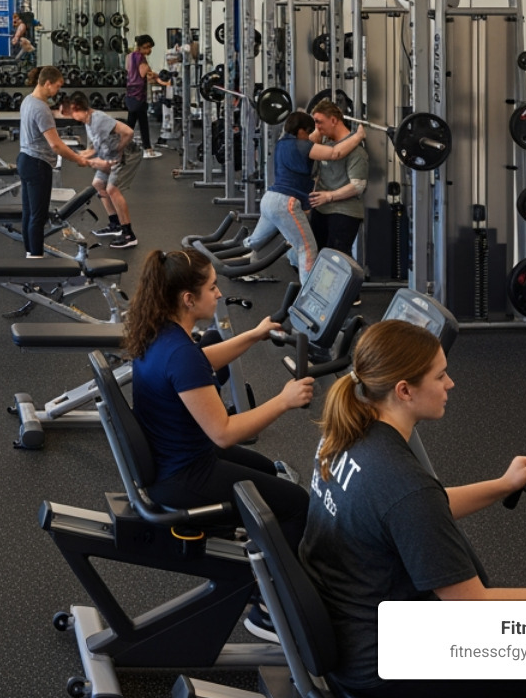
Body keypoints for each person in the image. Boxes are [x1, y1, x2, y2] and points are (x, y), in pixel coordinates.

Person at [299, 319, 526, 698]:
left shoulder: (345, 435)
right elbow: (473, 605)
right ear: (404, 391)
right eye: (440, 376)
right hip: (384, 668)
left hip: (353, 632)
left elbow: (412, 512)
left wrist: (501, 484)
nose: (450, 384)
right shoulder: (404, 485)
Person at [121, 247, 313, 639]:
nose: (219, 294)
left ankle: (253, 554)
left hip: (174, 459)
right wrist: (283, 401)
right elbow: (223, 432)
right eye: (211, 288)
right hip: (184, 475)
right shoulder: (178, 352)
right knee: (297, 505)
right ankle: (265, 605)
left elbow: (201, 360)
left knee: (264, 470)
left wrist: (254, 335)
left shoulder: (161, 333)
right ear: (188, 299)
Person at [241, 110, 366, 279]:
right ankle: (308, 295)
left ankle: (241, 269)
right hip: (285, 203)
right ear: (301, 131)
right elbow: (335, 153)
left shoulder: (282, 143)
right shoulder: (301, 145)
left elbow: (313, 143)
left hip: (269, 199)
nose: (311, 136)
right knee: (307, 249)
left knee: (255, 242)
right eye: (309, 132)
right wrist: (358, 136)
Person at [18, 67, 89, 258]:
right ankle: (36, 260)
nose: (58, 90)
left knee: (29, 214)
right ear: (48, 83)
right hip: (38, 165)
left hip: (25, 160)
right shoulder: (41, 108)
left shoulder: (28, 101)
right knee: (37, 217)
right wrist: (78, 159)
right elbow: (56, 145)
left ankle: (29, 254)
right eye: (57, 86)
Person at [60, 93, 141, 249]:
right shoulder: (87, 122)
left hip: (128, 154)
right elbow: (92, 149)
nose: (71, 116)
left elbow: (128, 132)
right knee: (98, 184)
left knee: (112, 188)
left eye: (71, 112)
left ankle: (129, 235)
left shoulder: (98, 119)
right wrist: (75, 156)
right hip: (108, 155)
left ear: (78, 109)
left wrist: (119, 149)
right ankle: (115, 225)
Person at [308, 98, 369, 259]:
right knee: (313, 256)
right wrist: (317, 134)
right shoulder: (324, 144)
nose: (317, 127)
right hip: (321, 209)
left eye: (319, 122)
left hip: (344, 211)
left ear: (333, 120)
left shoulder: (356, 152)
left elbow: (358, 186)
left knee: (337, 260)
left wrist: (329, 196)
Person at [125, 35, 167, 158]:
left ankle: (123, 147)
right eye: (147, 47)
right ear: (141, 47)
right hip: (139, 94)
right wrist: (154, 74)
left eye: (150, 47)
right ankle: (147, 148)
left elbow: (129, 71)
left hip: (130, 92)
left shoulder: (129, 56)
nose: (149, 51)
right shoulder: (141, 58)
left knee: (131, 123)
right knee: (141, 122)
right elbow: (144, 74)